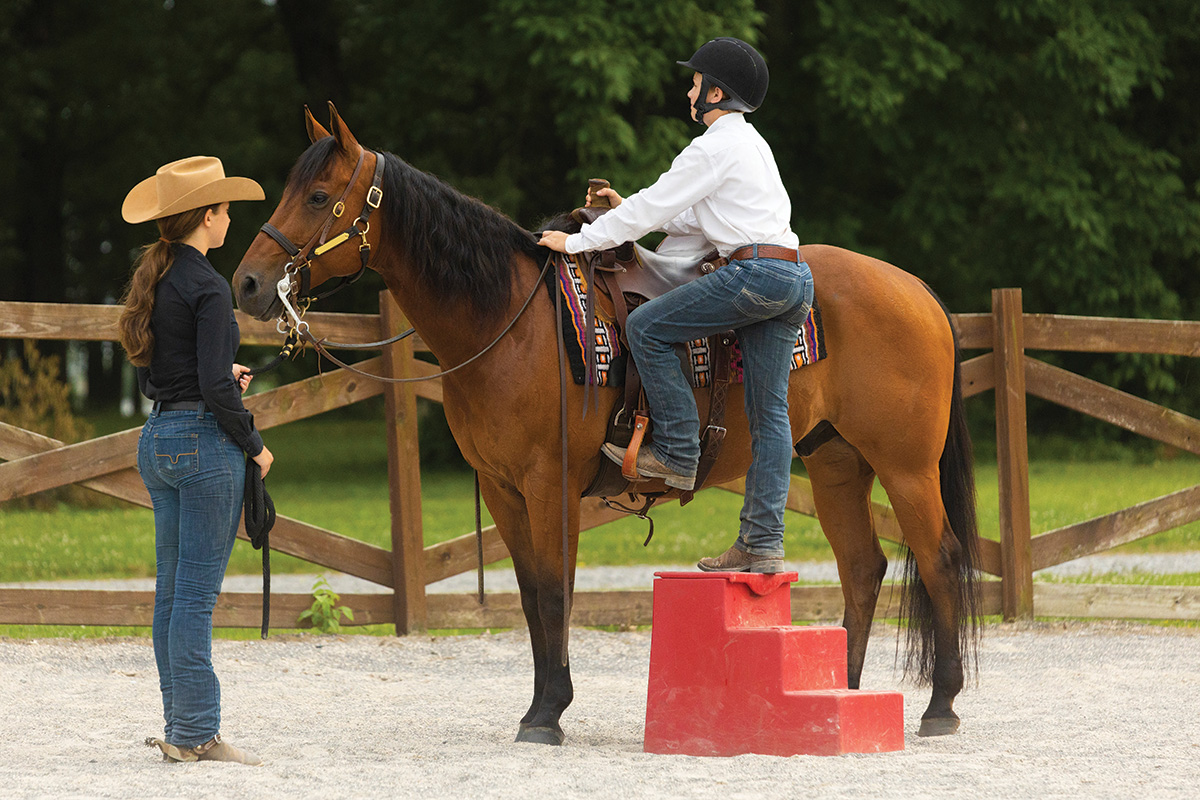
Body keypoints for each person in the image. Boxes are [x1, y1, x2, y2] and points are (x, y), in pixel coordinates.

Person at [538, 38, 813, 574]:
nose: (689, 91)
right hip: (792, 277)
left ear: (715, 91)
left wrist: (574, 243)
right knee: (770, 418)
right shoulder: (752, 144)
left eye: (695, 82)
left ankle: (679, 452)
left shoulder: (711, 147)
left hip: (754, 274)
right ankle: (762, 544)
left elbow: (654, 209)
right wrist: (627, 208)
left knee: (645, 326)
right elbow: (688, 220)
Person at [118, 156, 272, 764]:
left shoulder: (158, 278)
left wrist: (222, 375)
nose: (231, 218)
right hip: (202, 443)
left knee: (172, 595)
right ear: (207, 215)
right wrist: (255, 446)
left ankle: (181, 726)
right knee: (195, 598)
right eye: (226, 209)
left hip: (158, 440)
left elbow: (172, 369)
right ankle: (197, 733)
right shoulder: (208, 284)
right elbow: (211, 387)